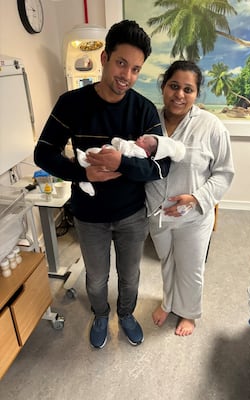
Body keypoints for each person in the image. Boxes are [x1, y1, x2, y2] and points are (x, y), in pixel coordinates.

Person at [34, 20, 170, 349]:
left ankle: (124, 314)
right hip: (89, 214)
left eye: (136, 69)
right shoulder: (71, 103)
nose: (127, 75)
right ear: (104, 58)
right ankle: (99, 313)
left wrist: (121, 162)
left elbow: (162, 164)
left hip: (131, 214)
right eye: (121, 63)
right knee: (96, 277)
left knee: (131, 274)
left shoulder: (143, 109)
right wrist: (84, 174)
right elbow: (43, 153)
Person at [146, 60, 235, 336]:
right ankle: (169, 302)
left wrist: (196, 199)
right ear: (163, 86)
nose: (179, 95)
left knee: (191, 267)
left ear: (197, 94)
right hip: (157, 212)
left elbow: (224, 173)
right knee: (167, 261)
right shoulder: (149, 121)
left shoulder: (212, 126)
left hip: (193, 215)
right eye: (174, 86)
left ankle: (189, 313)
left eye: (188, 89)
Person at [76, 134, 185, 196]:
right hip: (110, 154)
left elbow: (125, 151)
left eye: (144, 141)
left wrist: (119, 147)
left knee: (92, 157)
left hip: (111, 162)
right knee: (93, 154)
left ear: (147, 152)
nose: (141, 137)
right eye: (144, 137)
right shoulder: (137, 145)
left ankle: (84, 172)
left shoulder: (140, 153)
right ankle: (83, 165)